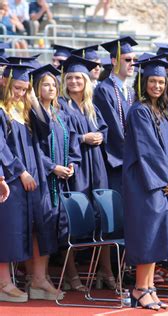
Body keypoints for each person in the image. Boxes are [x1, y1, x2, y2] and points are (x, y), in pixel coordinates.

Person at [0, 63, 61, 302]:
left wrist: (33, 97)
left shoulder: (23, 109)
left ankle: (37, 280)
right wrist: (20, 171)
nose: (21, 93)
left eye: (25, 89)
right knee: (7, 230)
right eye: (18, 88)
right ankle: (4, 282)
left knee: (35, 228)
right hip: (12, 178)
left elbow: (45, 129)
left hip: (33, 179)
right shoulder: (2, 109)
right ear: (4, 82)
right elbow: (1, 147)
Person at [123, 57, 168, 310]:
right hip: (144, 183)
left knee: (158, 235)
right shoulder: (139, 111)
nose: (157, 86)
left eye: (161, 82)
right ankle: (139, 287)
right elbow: (149, 151)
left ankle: (149, 287)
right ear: (143, 83)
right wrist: (166, 177)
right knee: (147, 235)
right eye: (152, 81)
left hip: (164, 182)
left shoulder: (166, 113)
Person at [59, 55, 112, 291]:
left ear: (86, 80)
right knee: (74, 219)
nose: (73, 81)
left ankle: (106, 271)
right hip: (77, 167)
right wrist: (83, 138)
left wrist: (101, 136)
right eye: (69, 77)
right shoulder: (61, 105)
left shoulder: (91, 106)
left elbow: (103, 129)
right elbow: (60, 135)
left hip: (97, 166)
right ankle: (71, 275)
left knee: (102, 217)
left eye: (78, 77)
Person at [28, 64, 81, 291]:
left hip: (59, 182)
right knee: (41, 227)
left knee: (50, 227)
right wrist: (52, 167)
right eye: (45, 85)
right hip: (42, 180)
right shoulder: (33, 114)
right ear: (37, 88)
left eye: (53, 84)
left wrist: (71, 163)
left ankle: (40, 277)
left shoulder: (60, 114)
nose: (51, 88)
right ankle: (37, 278)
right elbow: (32, 149)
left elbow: (73, 142)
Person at [94, 36, 137, 195]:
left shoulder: (131, 91)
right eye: (127, 59)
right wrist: (133, 153)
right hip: (116, 162)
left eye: (134, 59)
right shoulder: (103, 90)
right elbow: (112, 128)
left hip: (131, 160)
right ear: (114, 61)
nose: (132, 63)